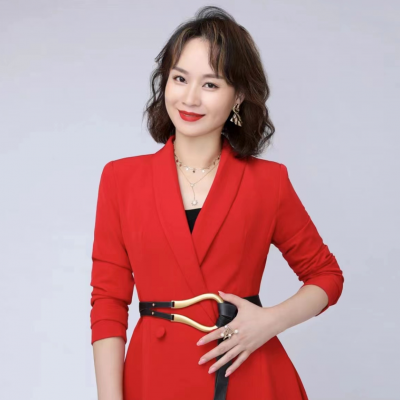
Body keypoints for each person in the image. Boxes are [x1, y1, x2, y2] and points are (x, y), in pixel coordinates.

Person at [90, 6, 344, 400]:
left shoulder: (268, 182)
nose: (190, 98)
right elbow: (108, 301)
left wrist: (269, 322)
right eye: (180, 78)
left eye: (211, 84)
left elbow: (326, 275)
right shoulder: (121, 179)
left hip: (247, 374)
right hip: (154, 377)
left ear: (238, 95)